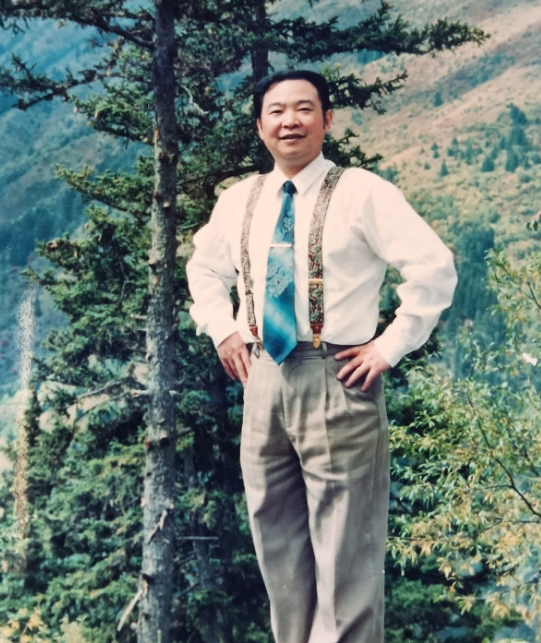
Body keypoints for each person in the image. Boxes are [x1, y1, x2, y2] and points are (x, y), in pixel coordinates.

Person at [186, 69, 457, 643]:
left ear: (327, 120)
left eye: (305, 109)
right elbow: (204, 269)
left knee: (346, 550)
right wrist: (223, 331)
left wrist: (389, 345)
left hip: (338, 376)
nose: (291, 121)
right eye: (277, 111)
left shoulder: (363, 192)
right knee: (276, 542)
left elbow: (434, 269)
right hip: (263, 376)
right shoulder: (240, 200)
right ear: (260, 126)